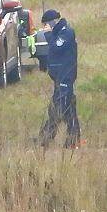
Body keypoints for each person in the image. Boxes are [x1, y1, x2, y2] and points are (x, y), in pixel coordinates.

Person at [37, 9, 81, 148]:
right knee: (68, 108)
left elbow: (57, 47)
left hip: (65, 76)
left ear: (53, 21)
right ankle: (73, 138)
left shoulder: (66, 32)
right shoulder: (58, 33)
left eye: (47, 24)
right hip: (58, 76)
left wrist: (49, 34)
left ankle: (47, 137)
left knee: (59, 107)